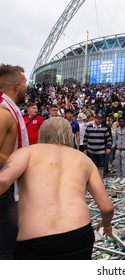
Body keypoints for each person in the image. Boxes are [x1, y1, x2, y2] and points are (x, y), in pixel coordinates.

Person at [0, 117, 114, 259]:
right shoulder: (84, 160)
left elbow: (2, 181)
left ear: (42, 133)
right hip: (79, 235)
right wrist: (106, 224)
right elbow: (107, 207)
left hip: (36, 240)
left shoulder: (26, 153)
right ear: (69, 135)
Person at [0, 64, 29, 259]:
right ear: (17, 86)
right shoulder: (4, 112)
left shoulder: (9, 109)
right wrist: (19, 161)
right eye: (26, 82)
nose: (28, 86)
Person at [83, 114, 112, 179]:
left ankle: (99, 180)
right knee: (90, 166)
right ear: (94, 119)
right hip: (91, 150)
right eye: (98, 119)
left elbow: (109, 139)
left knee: (101, 166)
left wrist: (109, 148)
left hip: (101, 150)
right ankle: (90, 180)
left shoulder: (104, 128)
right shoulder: (89, 128)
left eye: (100, 119)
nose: (99, 120)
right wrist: (85, 148)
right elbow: (85, 138)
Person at [113, 116, 125, 185]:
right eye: (120, 122)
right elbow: (115, 139)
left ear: (124, 122)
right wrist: (113, 147)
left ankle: (124, 177)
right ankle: (119, 176)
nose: (121, 123)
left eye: (122, 121)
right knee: (117, 163)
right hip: (118, 148)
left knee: (124, 164)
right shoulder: (117, 129)